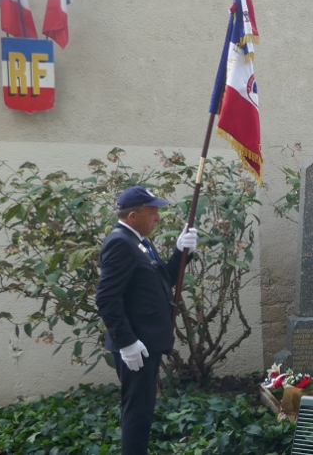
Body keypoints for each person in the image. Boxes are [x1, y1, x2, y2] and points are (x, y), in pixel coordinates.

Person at [95, 186, 198, 455]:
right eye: (153, 212)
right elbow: (107, 298)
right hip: (136, 345)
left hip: (146, 342)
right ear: (132, 215)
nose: (158, 218)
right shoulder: (121, 242)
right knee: (137, 414)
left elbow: (163, 280)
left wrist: (180, 252)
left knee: (143, 411)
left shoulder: (139, 240)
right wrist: (127, 342)